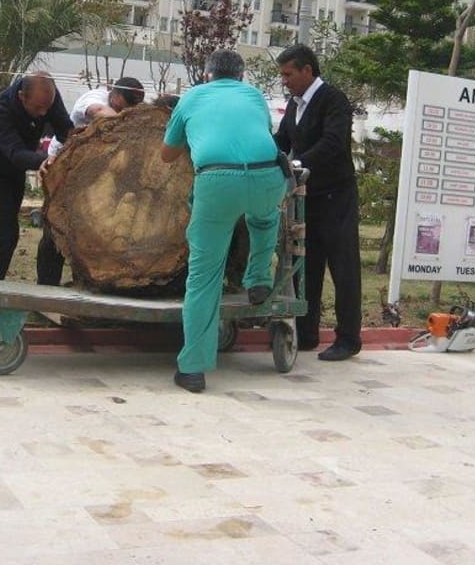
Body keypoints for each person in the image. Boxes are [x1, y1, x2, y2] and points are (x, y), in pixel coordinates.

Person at [161, 49, 287, 393]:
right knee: (263, 221)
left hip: (216, 182)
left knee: (204, 278)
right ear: (242, 76)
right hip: (268, 176)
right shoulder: (255, 96)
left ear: (207, 74)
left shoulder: (192, 98)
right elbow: (257, 136)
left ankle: (192, 370)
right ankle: (258, 277)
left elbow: (167, 154)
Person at [274, 44, 362, 362]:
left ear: (307, 71)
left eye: (288, 74)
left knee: (344, 269)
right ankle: (306, 333)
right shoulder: (294, 105)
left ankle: (349, 339)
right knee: (307, 268)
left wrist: (296, 165)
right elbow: (283, 141)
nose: (284, 81)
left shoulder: (333, 99)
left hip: (336, 198)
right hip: (308, 198)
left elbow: (334, 143)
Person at [36, 77, 146, 286]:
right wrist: (130, 120)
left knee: (92, 231)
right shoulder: (93, 98)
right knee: (55, 229)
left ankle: (85, 282)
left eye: (133, 107)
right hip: (62, 169)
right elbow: (99, 113)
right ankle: (46, 285)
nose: (126, 110)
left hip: (95, 177)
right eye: (122, 104)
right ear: (112, 93)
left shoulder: (132, 111)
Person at [0, 72, 72, 280]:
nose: (44, 114)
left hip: (13, 174)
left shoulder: (48, 97)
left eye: (47, 108)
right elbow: (14, 152)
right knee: (5, 236)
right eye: (38, 108)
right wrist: (42, 160)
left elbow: (65, 129)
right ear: (22, 97)